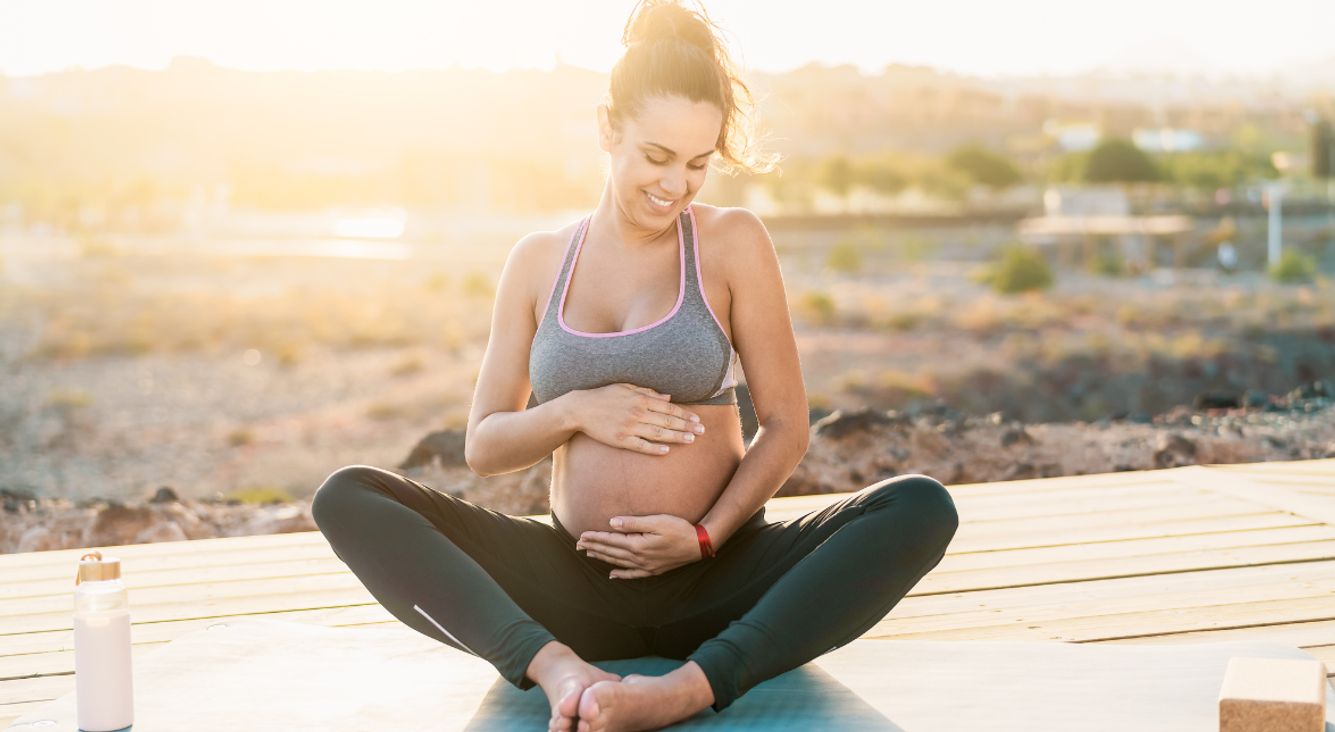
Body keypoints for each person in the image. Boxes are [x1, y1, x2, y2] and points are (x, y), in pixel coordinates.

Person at [311, 2, 959, 730]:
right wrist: (572, 411)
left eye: (696, 164)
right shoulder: (536, 262)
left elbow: (786, 426)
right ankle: (556, 669)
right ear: (606, 129)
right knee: (347, 497)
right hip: (568, 584)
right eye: (656, 156)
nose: (675, 184)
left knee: (919, 506)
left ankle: (686, 688)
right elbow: (483, 447)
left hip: (718, 577)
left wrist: (705, 536)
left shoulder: (731, 243)